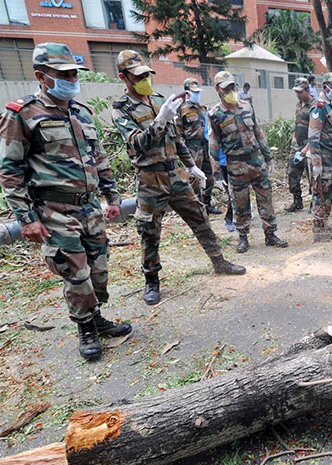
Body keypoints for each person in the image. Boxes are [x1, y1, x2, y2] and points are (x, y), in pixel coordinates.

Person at [0, 43, 131, 360]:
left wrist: (111, 196)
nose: (72, 78)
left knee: (98, 270)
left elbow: (99, 159)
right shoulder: (21, 114)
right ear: (41, 76)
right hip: (55, 210)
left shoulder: (81, 113)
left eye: (74, 73)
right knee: (76, 273)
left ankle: (96, 317)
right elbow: (9, 170)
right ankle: (85, 327)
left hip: (89, 208)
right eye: (64, 74)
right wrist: (26, 218)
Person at [112, 51, 246, 306]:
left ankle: (219, 261)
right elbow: (137, 144)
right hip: (150, 178)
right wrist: (160, 120)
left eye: (147, 75)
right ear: (124, 77)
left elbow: (176, 138)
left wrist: (191, 165)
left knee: (199, 216)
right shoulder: (121, 109)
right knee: (149, 231)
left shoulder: (160, 100)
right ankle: (152, 280)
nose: (145, 80)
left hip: (175, 173)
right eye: (138, 76)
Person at [207, 71, 289, 253]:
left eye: (232, 86)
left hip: (255, 160)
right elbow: (213, 144)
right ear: (217, 90)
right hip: (235, 164)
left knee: (266, 198)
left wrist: (268, 157)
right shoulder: (215, 114)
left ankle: (270, 234)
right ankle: (243, 237)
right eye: (226, 88)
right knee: (240, 202)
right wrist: (216, 174)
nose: (230, 90)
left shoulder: (247, 107)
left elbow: (259, 133)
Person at [302, 72, 332, 243]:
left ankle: (324, 222)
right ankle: (319, 228)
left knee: (327, 191)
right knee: (320, 191)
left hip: (327, 156)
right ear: (325, 86)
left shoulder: (328, 105)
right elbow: (314, 136)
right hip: (321, 156)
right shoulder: (319, 106)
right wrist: (317, 163)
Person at [176, 78, 222, 215]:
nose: (197, 95)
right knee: (193, 179)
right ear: (187, 93)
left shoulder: (203, 109)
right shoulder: (182, 110)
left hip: (206, 146)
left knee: (209, 177)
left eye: (198, 92)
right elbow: (178, 133)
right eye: (194, 92)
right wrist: (183, 152)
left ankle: (207, 205)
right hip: (192, 148)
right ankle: (196, 208)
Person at [284, 77, 314, 213]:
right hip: (297, 144)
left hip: (311, 145)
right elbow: (297, 125)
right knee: (292, 173)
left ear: (307, 90)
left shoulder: (315, 106)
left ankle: (315, 203)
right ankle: (297, 201)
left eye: (300, 92)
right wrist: (293, 141)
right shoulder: (298, 105)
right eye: (296, 92)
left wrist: (307, 148)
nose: (298, 94)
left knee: (312, 176)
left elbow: (317, 131)